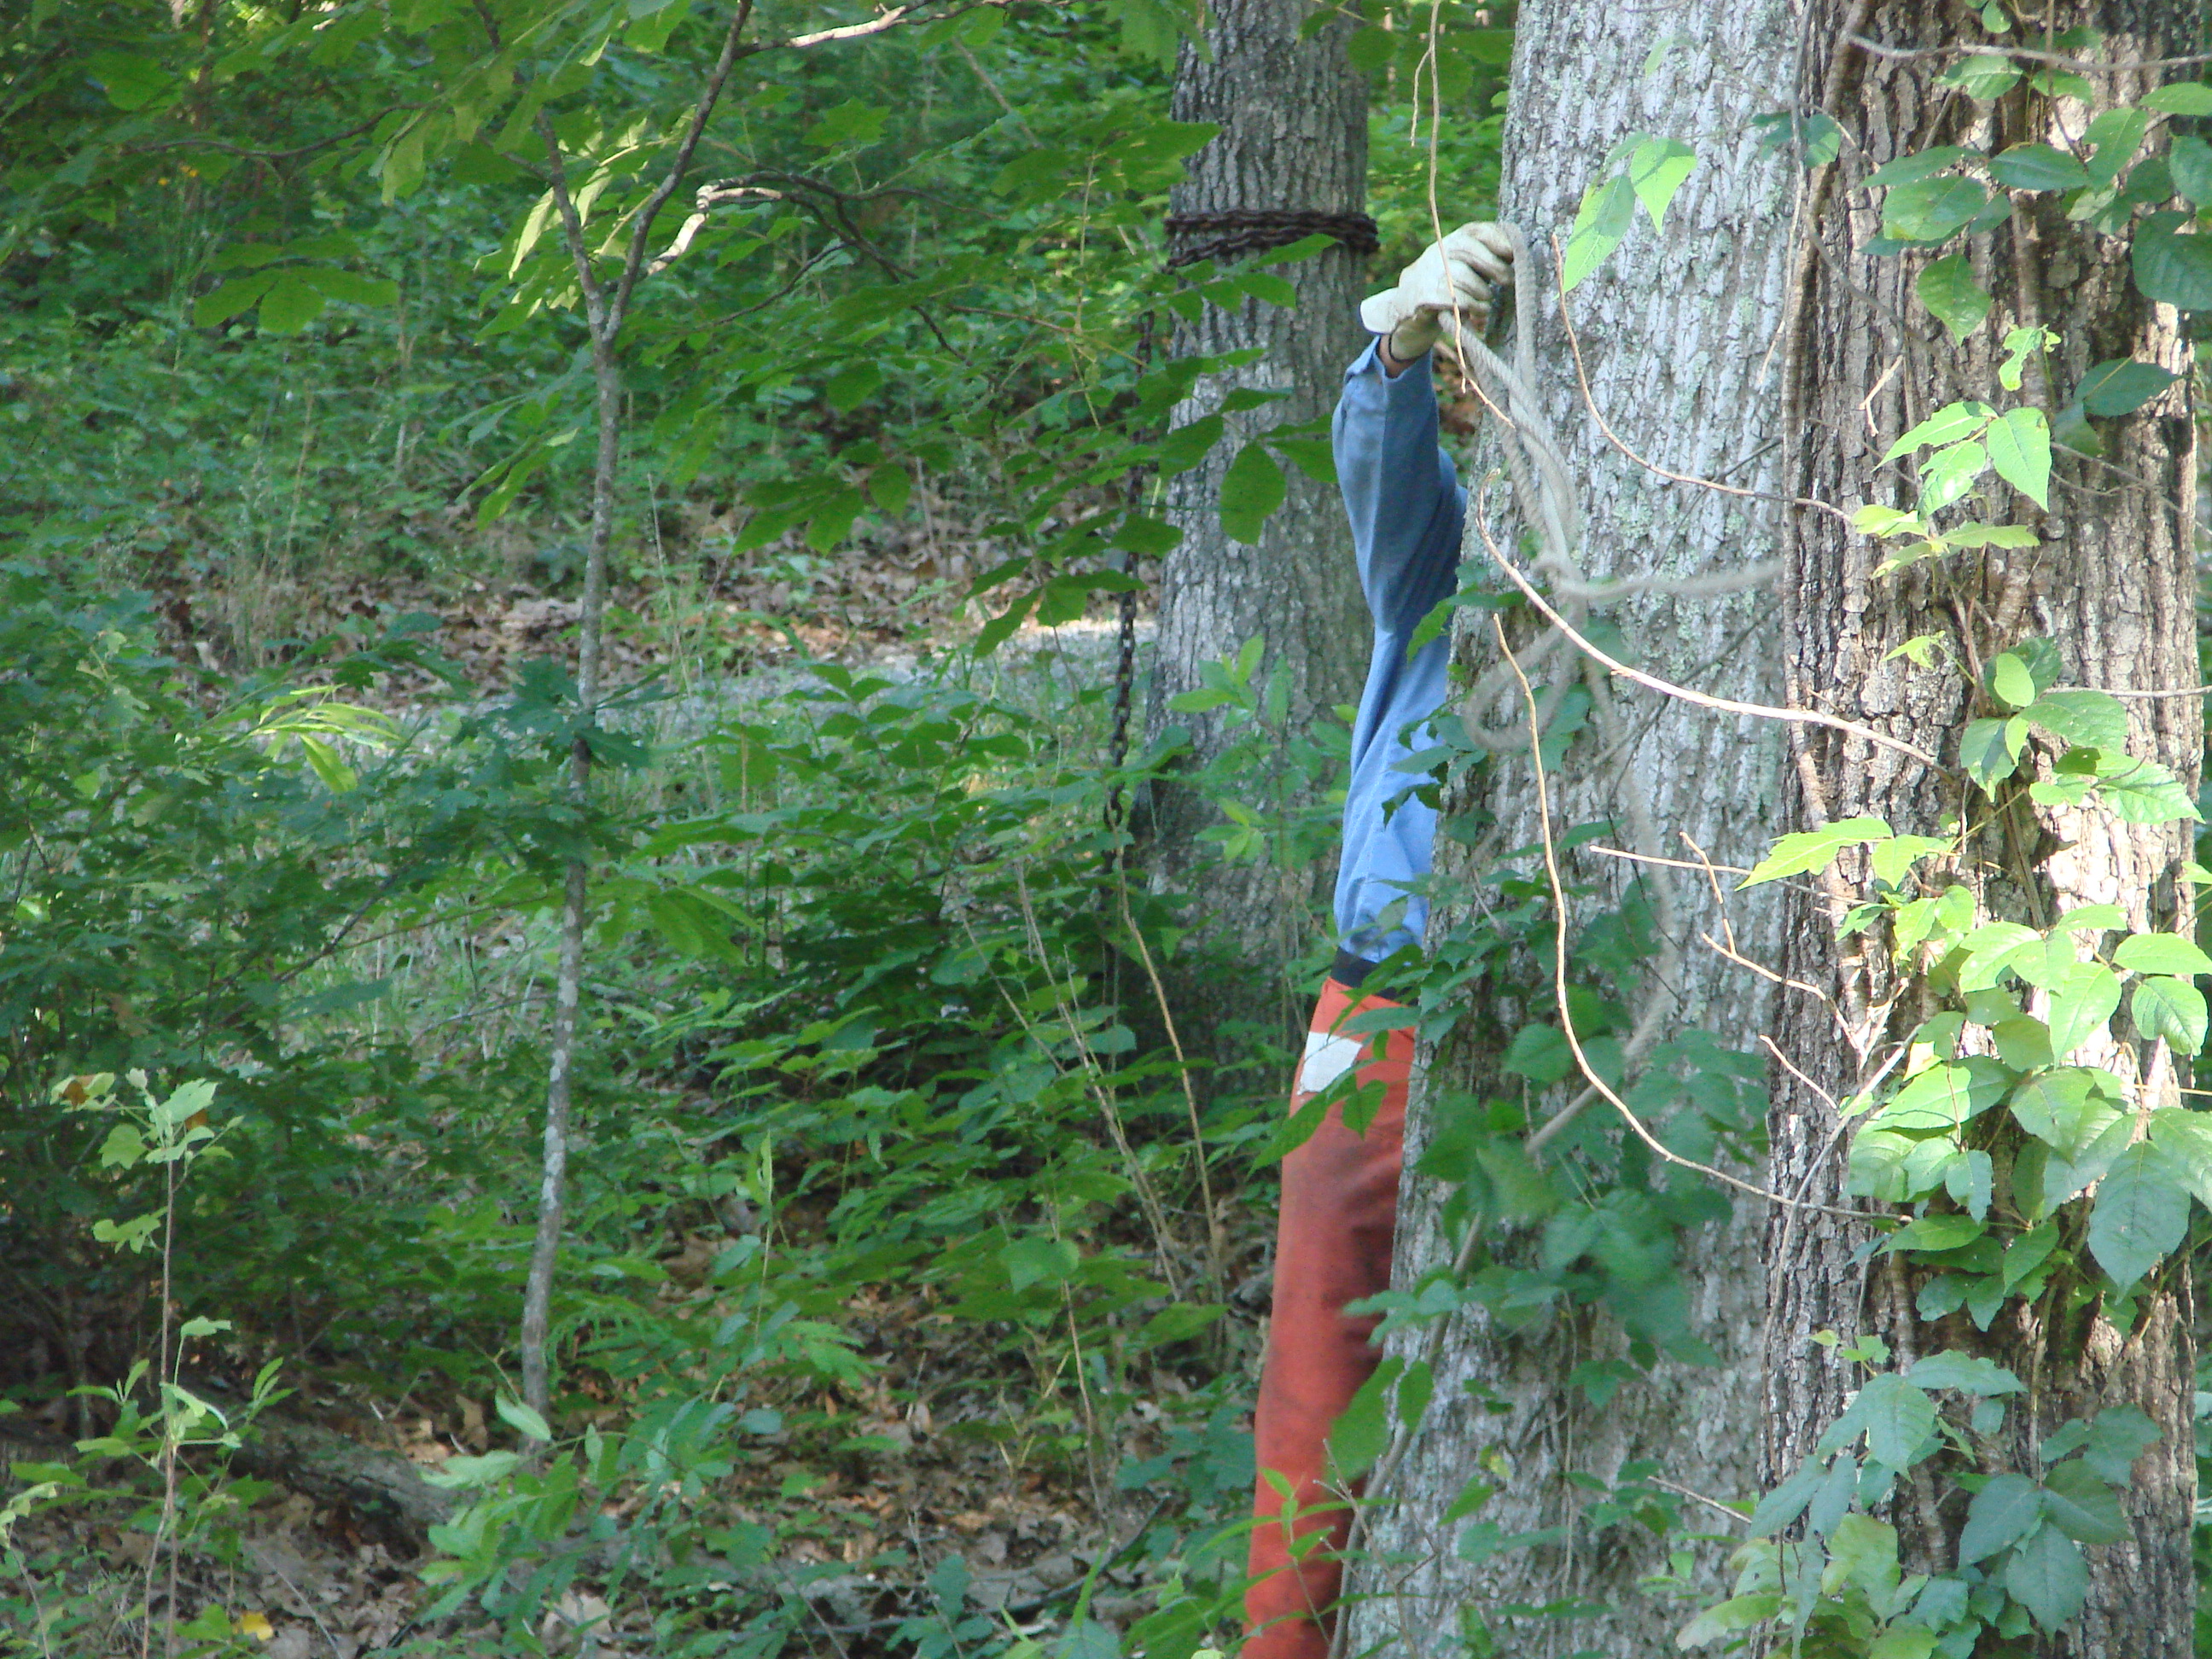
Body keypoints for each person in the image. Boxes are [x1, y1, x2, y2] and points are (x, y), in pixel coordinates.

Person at [1243, 222, 1516, 1659]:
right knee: (1313, 1386)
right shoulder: (1438, 562)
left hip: (1539, 1023)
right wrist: (1403, 342)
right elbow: (1379, 463)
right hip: (1376, 1016)